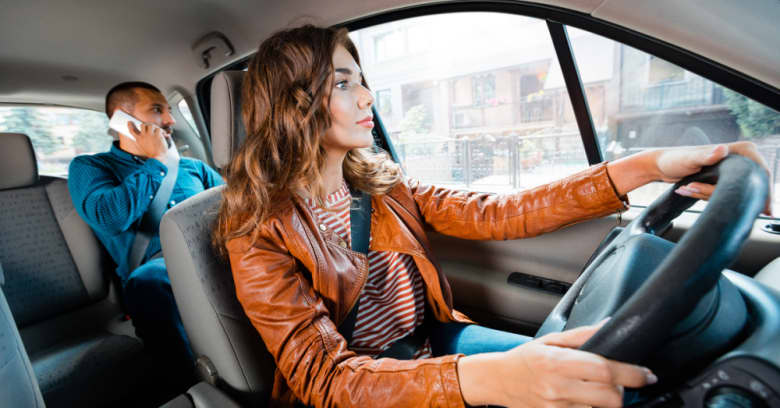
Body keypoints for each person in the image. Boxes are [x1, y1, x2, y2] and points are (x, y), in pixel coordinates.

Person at [213, 26, 770, 408]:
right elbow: (326, 378)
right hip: (370, 391)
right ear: (292, 105)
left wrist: (647, 166)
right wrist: (489, 379)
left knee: (604, 380)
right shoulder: (257, 231)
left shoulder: (382, 183)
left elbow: (502, 212)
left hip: (437, 345)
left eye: (361, 79)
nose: (368, 98)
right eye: (343, 83)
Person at [68, 81, 224, 391]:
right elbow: (109, 219)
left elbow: (236, 209)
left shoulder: (194, 167)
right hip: (158, 271)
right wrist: (155, 163)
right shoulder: (90, 168)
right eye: (157, 110)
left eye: (169, 110)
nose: (170, 120)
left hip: (216, 255)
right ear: (122, 119)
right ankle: (189, 388)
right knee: (150, 281)